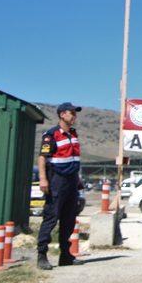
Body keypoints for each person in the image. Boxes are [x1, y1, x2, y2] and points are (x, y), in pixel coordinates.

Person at [37, 102, 84, 270]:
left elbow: (73, 158)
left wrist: (77, 179)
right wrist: (43, 179)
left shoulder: (73, 134)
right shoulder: (51, 135)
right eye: (72, 113)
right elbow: (42, 157)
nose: (74, 116)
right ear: (62, 115)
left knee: (69, 219)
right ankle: (42, 255)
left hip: (71, 181)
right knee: (51, 217)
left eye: (75, 113)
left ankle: (66, 255)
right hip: (57, 180)